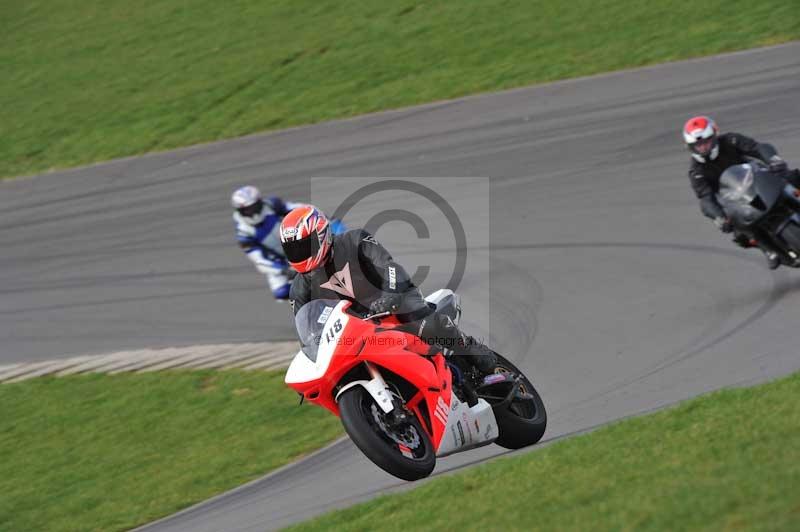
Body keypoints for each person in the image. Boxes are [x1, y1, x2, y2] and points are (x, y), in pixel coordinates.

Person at [279, 205, 498, 376]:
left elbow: (388, 266)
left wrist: (390, 296)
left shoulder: (354, 240)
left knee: (426, 325)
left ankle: (472, 351)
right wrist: (315, 349)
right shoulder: (299, 288)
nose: (299, 254)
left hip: (393, 299)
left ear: (321, 235)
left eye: (304, 246)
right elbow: (306, 332)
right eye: (293, 249)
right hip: (357, 329)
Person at [683, 115, 800, 269]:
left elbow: (758, 148)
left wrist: (773, 159)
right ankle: (768, 249)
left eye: (706, 142)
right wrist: (718, 217)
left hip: (758, 178)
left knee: (792, 176)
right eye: (698, 145)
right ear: (690, 147)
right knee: (739, 234)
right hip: (734, 200)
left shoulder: (731, 140)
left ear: (715, 137)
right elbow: (705, 199)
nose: (703, 147)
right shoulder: (696, 172)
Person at [231, 185, 305, 300]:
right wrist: (284, 270)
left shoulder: (272, 205)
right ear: (240, 211)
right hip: (279, 262)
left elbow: (299, 208)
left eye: (254, 207)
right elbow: (259, 261)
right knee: (281, 292)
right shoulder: (243, 233)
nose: (252, 212)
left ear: (260, 203)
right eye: (247, 210)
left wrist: (317, 215)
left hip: (298, 244)